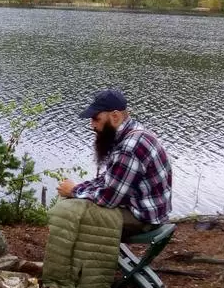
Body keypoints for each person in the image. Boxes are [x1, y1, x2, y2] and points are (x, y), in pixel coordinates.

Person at [56, 89, 172, 239]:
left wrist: (74, 191)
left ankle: (84, 262)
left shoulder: (129, 147)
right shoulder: (132, 131)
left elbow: (109, 198)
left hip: (144, 219)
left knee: (69, 214)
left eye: (96, 119)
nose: (92, 125)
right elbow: (110, 180)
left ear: (115, 116)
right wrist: (80, 188)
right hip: (146, 209)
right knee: (72, 206)